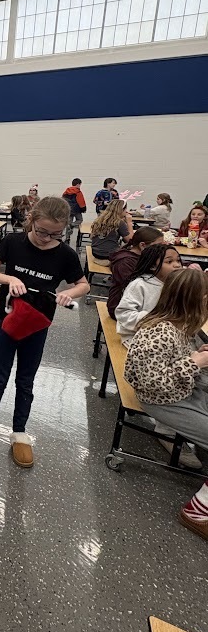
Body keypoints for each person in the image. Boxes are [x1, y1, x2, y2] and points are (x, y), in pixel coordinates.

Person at [0, 196, 89, 468]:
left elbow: (83, 285)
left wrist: (69, 293)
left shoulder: (66, 254)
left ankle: (20, 432)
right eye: (41, 231)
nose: (47, 238)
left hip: (37, 326)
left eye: (55, 234)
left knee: (26, 381)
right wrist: (10, 278)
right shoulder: (13, 242)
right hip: (8, 321)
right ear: (31, 220)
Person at [124, 268, 208, 539]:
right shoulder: (159, 332)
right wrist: (194, 362)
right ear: (198, 301)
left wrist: (195, 355)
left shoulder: (178, 325)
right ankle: (198, 511)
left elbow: (172, 362)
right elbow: (152, 384)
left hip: (179, 393)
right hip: (162, 401)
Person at [115, 244, 183, 347]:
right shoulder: (140, 285)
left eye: (178, 261)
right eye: (169, 262)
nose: (177, 265)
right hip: (137, 336)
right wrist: (155, 319)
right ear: (152, 266)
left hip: (166, 336)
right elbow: (123, 314)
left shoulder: (177, 284)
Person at [107, 226, 163, 319]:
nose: (162, 249)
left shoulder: (145, 257)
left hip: (140, 303)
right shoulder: (125, 262)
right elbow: (131, 287)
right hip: (121, 307)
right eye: (158, 246)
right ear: (142, 245)